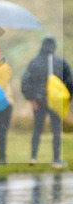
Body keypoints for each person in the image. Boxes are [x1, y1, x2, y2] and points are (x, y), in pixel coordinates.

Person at [21, 35, 72, 167]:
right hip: (55, 102)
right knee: (56, 129)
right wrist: (67, 98)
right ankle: (56, 159)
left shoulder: (34, 62)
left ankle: (33, 157)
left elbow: (25, 82)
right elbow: (70, 82)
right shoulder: (61, 62)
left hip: (39, 101)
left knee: (37, 129)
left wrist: (32, 98)